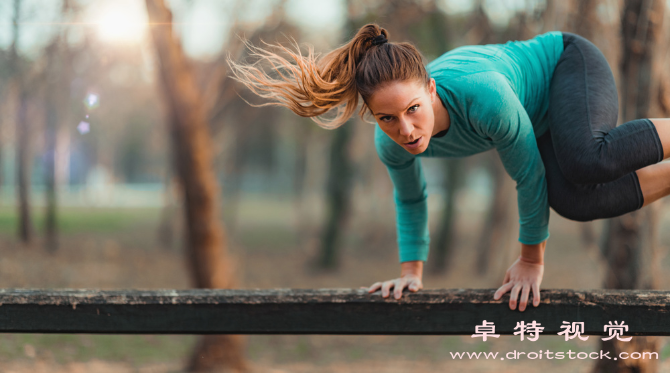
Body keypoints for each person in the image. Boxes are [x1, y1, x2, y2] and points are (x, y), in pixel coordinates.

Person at [226, 23, 670, 312]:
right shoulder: (391, 144)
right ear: (372, 116)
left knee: (587, 159)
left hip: (567, 66)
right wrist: (410, 274)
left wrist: (530, 261)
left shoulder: (484, 98)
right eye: (387, 118)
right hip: (540, 118)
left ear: (432, 90)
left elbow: (528, 176)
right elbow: (412, 198)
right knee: (572, 199)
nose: (405, 129)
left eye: (413, 109)